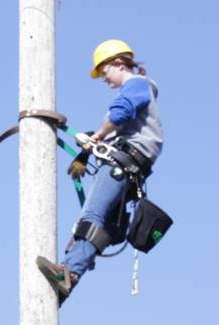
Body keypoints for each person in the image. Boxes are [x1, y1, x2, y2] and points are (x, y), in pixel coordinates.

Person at [37, 39, 164, 304]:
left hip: (122, 164)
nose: (104, 78)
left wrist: (99, 135)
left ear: (118, 63)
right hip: (131, 166)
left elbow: (119, 113)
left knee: (91, 216)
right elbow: (120, 129)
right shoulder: (142, 99)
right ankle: (70, 276)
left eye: (104, 71)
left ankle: (69, 271)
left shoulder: (138, 85)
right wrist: (89, 149)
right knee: (102, 227)